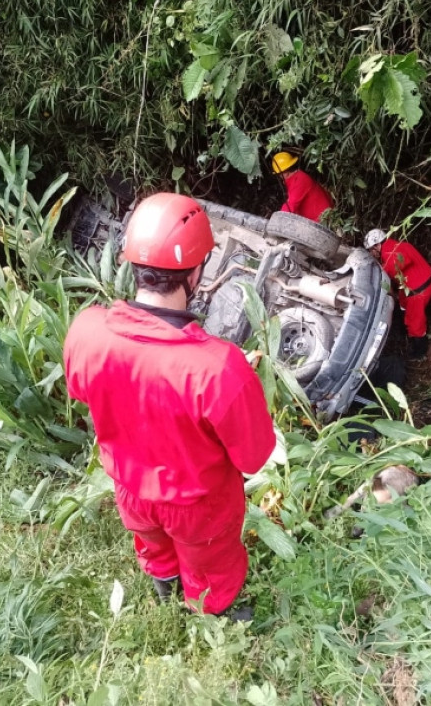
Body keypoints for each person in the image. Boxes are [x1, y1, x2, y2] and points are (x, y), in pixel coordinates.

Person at [63, 193, 276, 620]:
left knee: (153, 545)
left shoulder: (86, 332)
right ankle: (210, 612)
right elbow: (254, 457)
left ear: (133, 264)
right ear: (196, 273)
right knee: (211, 564)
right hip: (199, 506)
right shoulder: (218, 368)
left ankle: (164, 590)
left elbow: (86, 390)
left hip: (130, 488)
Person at [365, 228, 431, 360]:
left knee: (415, 323)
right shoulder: (396, 245)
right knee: (402, 304)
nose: (371, 253)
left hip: (419, 291)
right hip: (420, 283)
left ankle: (422, 351)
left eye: (371, 250)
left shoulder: (390, 252)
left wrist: (383, 273)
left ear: (377, 245)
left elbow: (396, 265)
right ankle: (405, 330)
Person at [272, 151, 333, 222]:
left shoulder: (300, 180)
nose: (279, 177)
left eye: (279, 174)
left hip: (322, 220)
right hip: (316, 219)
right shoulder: (297, 177)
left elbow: (291, 205)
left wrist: (278, 221)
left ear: (285, 172)